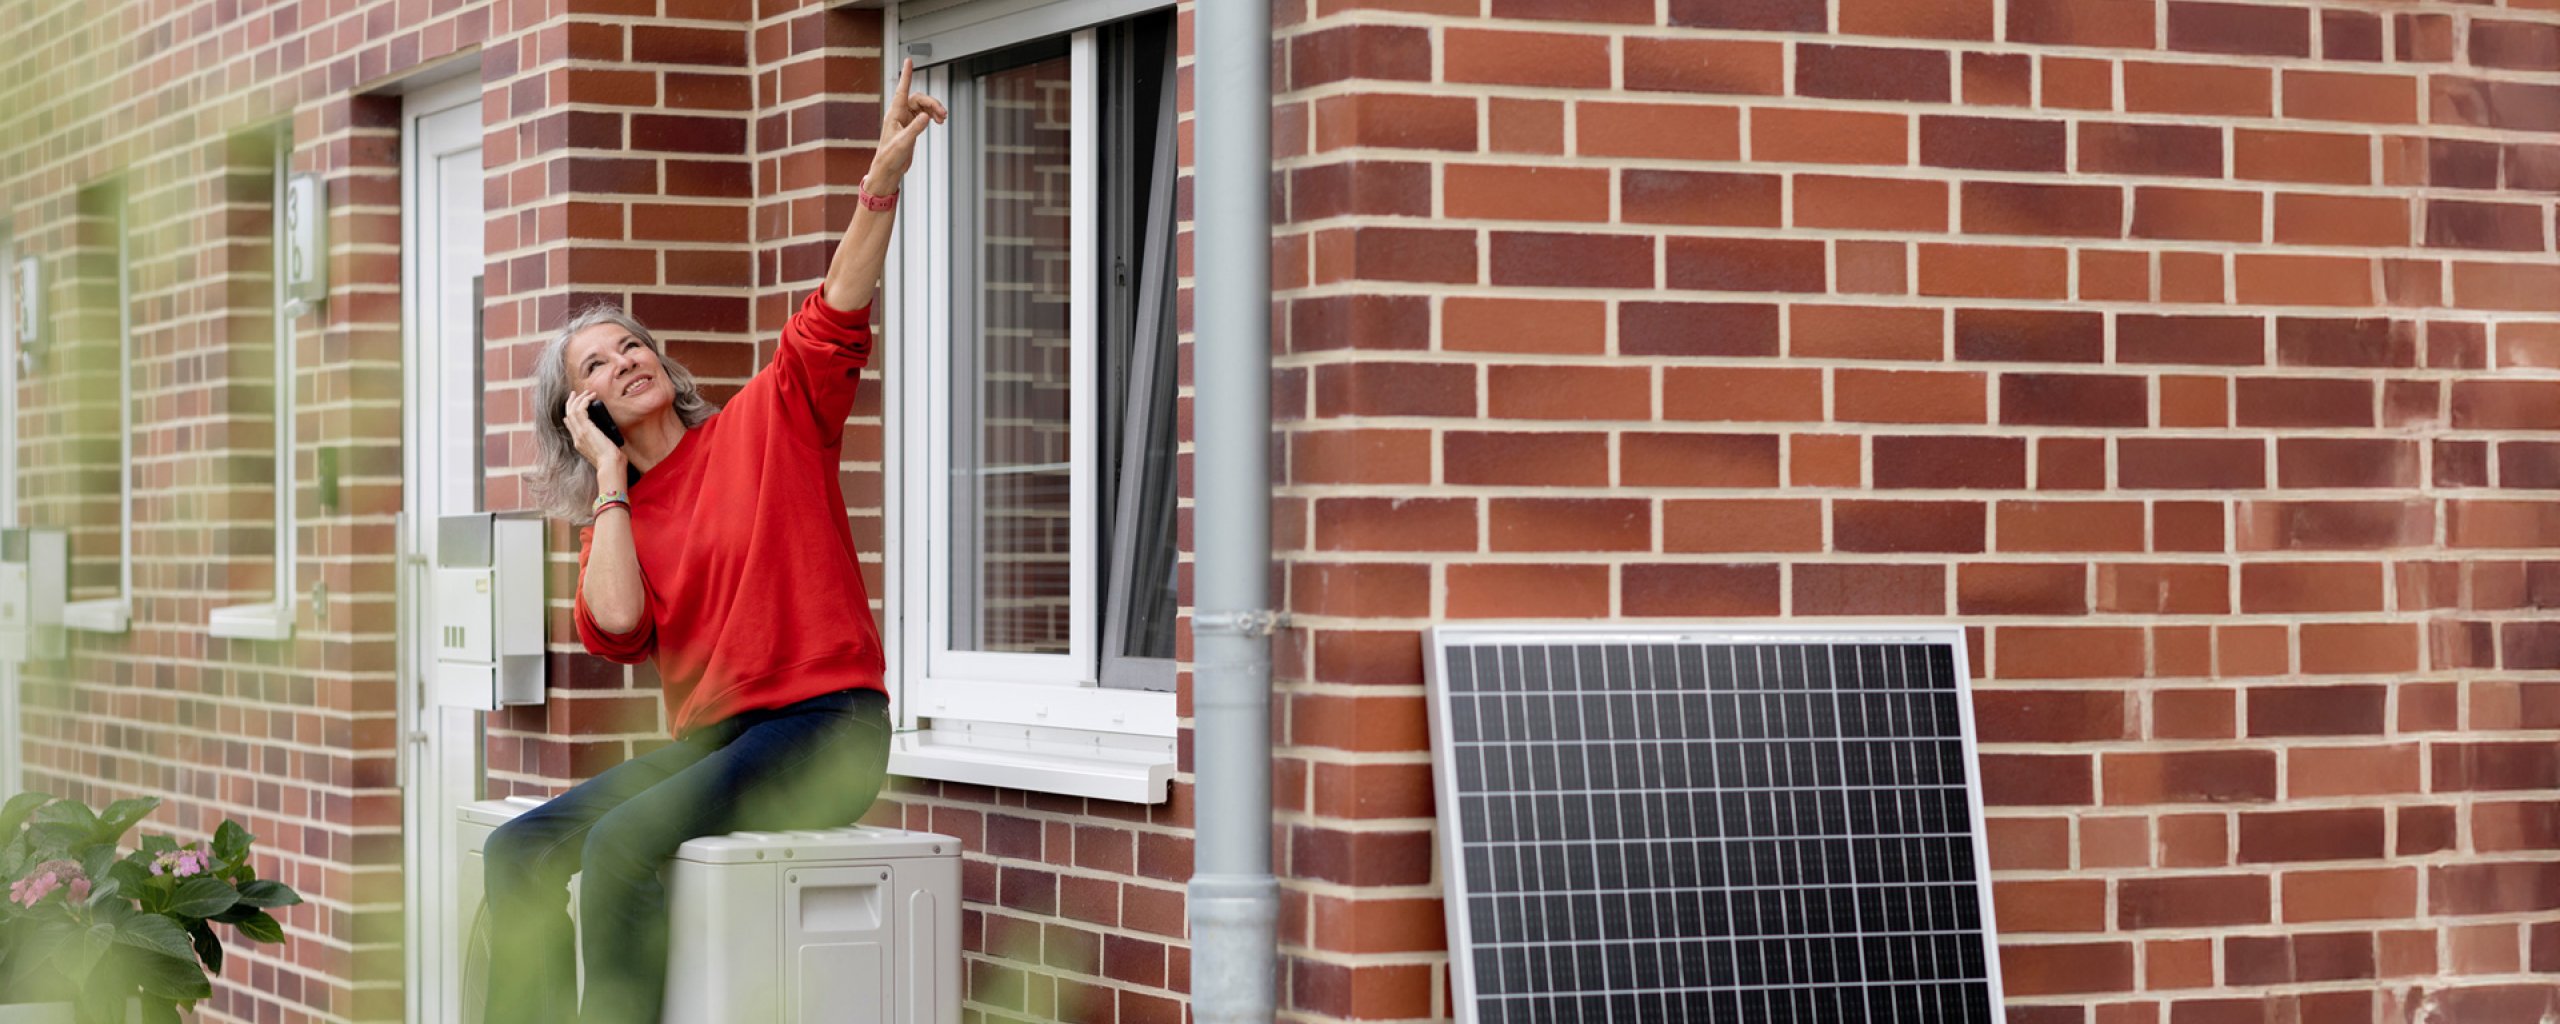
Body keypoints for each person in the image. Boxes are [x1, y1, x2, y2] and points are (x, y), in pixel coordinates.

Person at [479, 61, 947, 1024]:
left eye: (631, 343)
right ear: (584, 412)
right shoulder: (620, 518)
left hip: (826, 727)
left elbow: (837, 309)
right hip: (720, 742)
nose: (626, 360)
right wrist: (608, 479)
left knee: (618, 848)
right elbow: (616, 630)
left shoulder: (769, 421)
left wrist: (882, 182)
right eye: (597, 366)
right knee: (513, 850)